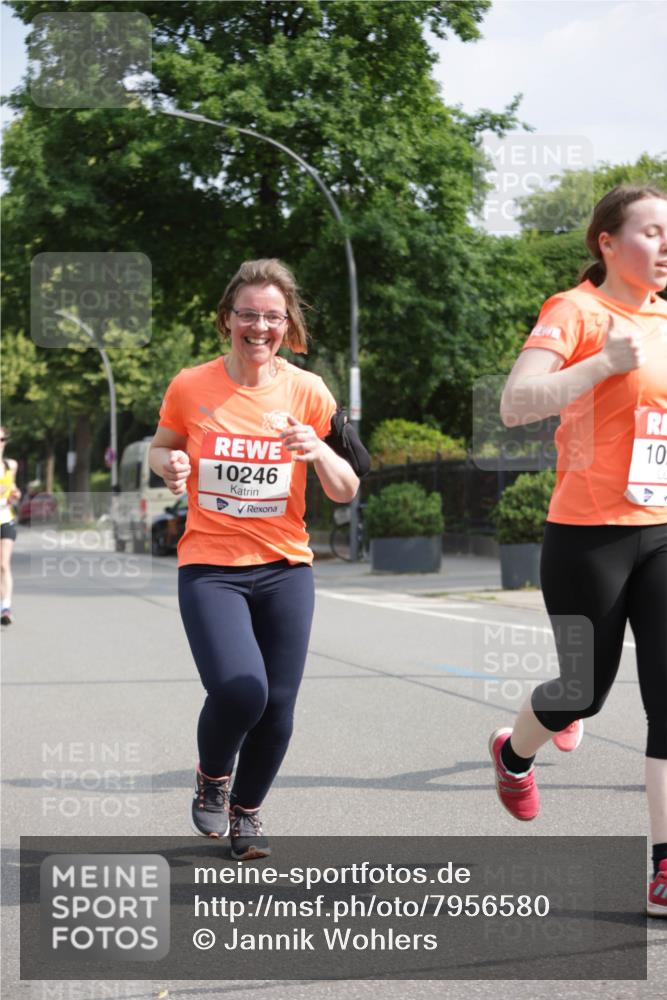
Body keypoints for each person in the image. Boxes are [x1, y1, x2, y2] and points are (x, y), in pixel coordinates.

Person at [487, 185, 667, 916]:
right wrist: (599, 365)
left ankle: (662, 868)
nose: (664, 246)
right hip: (586, 535)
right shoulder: (575, 312)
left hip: (661, 528)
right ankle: (512, 753)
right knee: (579, 693)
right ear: (606, 242)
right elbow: (513, 404)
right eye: (652, 232)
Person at [150, 259, 360, 859]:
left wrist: (318, 449)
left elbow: (346, 488)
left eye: (272, 316)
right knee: (243, 691)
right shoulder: (191, 385)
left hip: (285, 567)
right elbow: (162, 448)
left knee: (281, 705)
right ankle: (214, 774)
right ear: (227, 320)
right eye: (248, 314)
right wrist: (168, 465)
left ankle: (247, 813)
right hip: (211, 566)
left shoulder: (308, 390)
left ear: (287, 323)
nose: (259, 327)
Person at [0, 427, 21, 626]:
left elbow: (13, 488)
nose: (0, 443)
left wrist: (15, 494)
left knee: (4, 564)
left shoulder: (10, 465)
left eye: (3, 439)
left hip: (5, 518)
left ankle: (6, 607)